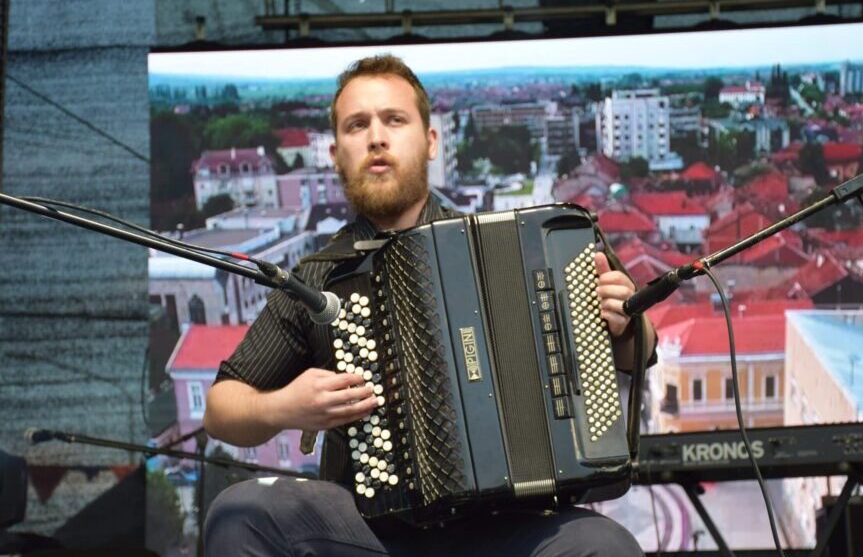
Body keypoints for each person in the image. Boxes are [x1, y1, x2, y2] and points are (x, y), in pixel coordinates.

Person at [203, 54, 655, 556]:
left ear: (431, 141)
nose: (377, 137)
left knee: (605, 545)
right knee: (240, 514)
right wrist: (284, 407)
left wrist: (624, 326)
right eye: (358, 125)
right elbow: (223, 408)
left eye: (394, 120)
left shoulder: (512, 252)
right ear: (335, 153)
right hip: (369, 532)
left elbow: (635, 354)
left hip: (505, 528)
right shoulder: (318, 277)